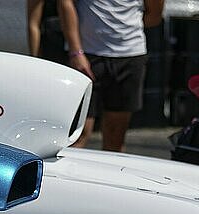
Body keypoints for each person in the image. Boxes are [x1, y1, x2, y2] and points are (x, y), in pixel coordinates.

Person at [58, 0, 164, 151]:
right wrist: (76, 52)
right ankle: (66, 174)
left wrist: (123, 29)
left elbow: (154, 15)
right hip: (87, 56)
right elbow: (65, 3)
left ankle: (109, 175)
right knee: (77, 135)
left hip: (130, 54)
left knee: (116, 137)